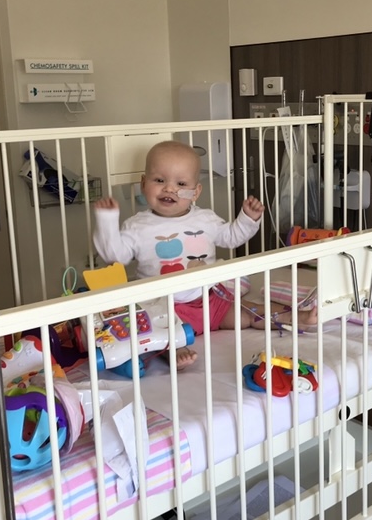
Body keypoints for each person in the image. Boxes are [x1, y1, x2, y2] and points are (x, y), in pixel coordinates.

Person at [94, 140, 315, 370]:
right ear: (143, 183)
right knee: (153, 329)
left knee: (247, 313)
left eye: (181, 183)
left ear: (196, 191)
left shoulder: (205, 219)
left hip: (209, 302)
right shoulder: (137, 226)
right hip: (165, 308)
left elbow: (231, 237)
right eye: (159, 180)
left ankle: (296, 317)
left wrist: (248, 219)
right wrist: (107, 221)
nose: (169, 189)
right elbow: (115, 256)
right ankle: (173, 350)